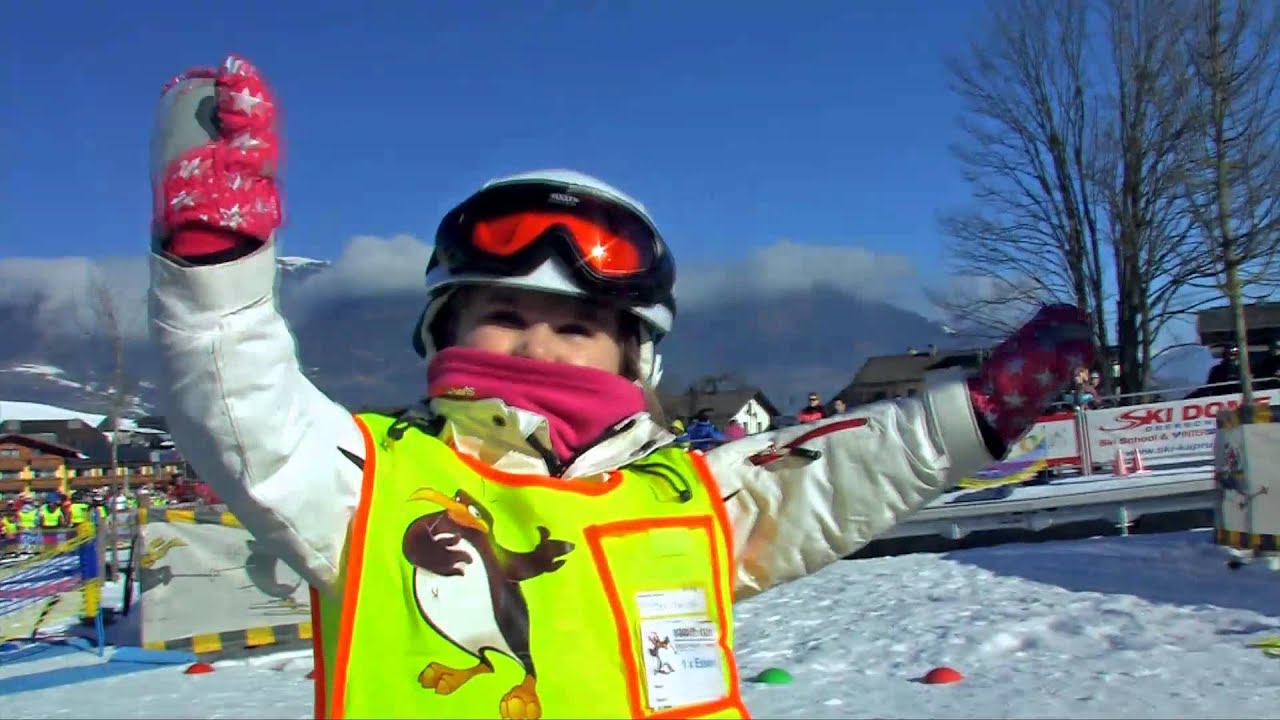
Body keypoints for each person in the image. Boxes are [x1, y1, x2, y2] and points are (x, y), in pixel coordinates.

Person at [147, 55, 1093, 720]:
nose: (539, 346)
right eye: (504, 315)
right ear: (443, 331)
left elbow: (834, 475)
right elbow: (245, 413)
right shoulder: (371, 484)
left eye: (577, 327)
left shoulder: (684, 499)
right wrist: (215, 271)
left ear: (636, 359)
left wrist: (976, 414)